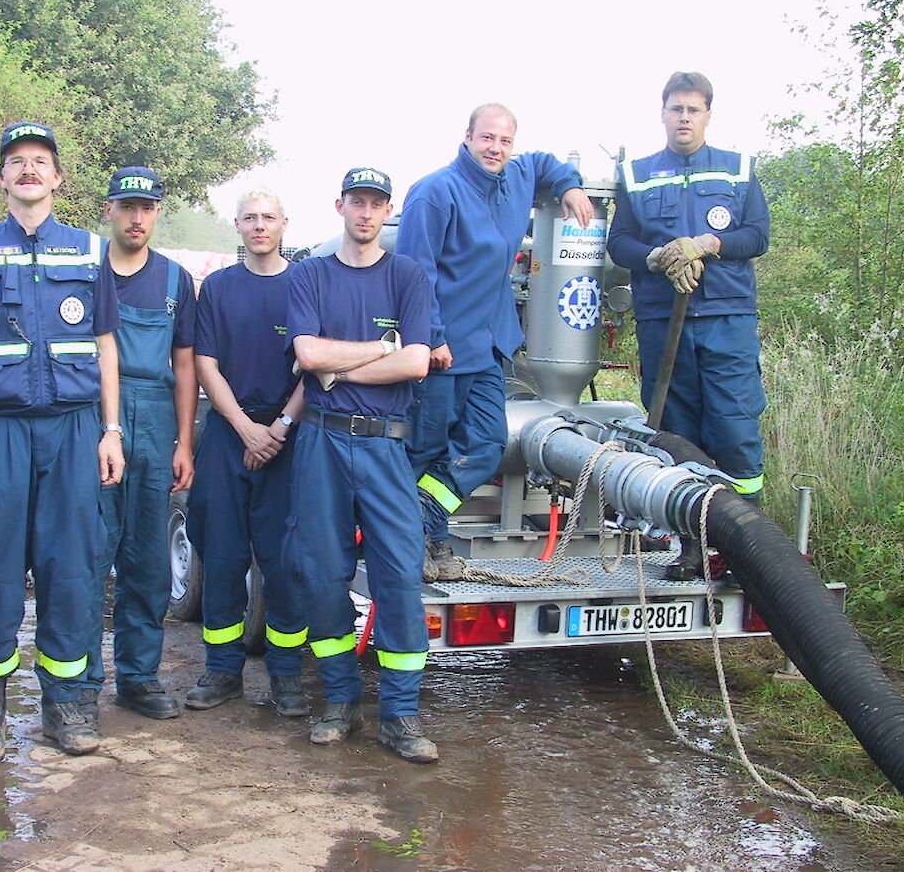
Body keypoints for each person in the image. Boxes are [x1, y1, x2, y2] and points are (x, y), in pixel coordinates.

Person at [0, 122, 124, 761]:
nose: (28, 171)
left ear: (58, 178)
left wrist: (112, 429)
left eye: (40, 162)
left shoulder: (89, 252)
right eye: (16, 162)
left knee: (71, 569)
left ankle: (65, 710)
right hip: (0, 432)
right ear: (1, 179)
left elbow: (105, 345)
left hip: (74, 430)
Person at [397, 104, 594, 575]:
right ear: (467, 137)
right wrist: (432, 337)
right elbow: (413, 274)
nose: (496, 149)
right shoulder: (434, 193)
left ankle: (424, 518)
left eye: (505, 141)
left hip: (488, 349)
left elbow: (546, 162)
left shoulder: (517, 178)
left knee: (485, 446)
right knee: (426, 450)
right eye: (487, 138)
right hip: (442, 354)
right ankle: (427, 545)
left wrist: (569, 184)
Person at [287, 167, 435, 763]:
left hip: (384, 445)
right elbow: (305, 353)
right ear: (340, 205)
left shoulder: (408, 276)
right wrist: (383, 347)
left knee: (400, 574)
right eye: (357, 201)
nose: (366, 212)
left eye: (377, 203)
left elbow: (418, 364)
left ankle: (400, 715)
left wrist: (340, 366)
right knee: (321, 574)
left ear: (387, 210)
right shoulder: (310, 275)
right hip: (320, 443)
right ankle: (339, 701)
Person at [606, 71, 770, 579]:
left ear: (707, 115)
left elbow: (757, 235)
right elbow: (620, 243)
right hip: (663, 322)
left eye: (693, 110)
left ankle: (747, 553)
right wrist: (656, 257)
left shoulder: (737, 170)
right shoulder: (637, 174)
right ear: (662, 112)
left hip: (726, 318)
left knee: (735, 430)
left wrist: (707, 245)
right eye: (676, 108)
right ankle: (691, 550)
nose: (684, 118)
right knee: (679, 434)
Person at [183, 188, 309, 715]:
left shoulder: (305, 284)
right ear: (236, 225)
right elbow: (204, 363)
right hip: (226, 436)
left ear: (285, 223)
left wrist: (277, 429)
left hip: (289, 437)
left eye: (269, 218)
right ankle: (222, 671)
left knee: (284, 563)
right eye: (250, 218)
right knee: (224, 555)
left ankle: (284, 678)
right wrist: (244, 429)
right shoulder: (217, 288)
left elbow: (314, 365)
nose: (260, 226)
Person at [90, 166, 198, 720]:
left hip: (156, 420)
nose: (137, 217)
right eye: (127, 207)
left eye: (147, 208)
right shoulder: (86, 271)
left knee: (148, 558)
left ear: (157, 212)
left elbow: (184, 366)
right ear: (108, 209)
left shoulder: (176, 280)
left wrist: (184, 442)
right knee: (87, 552)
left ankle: (137, 677)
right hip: (94, 419)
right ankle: (80, 680)